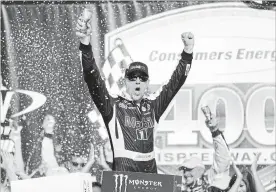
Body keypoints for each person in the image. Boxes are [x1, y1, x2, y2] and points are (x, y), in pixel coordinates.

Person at [76, 14, 194, 173]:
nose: (137, 81)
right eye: (132, 78)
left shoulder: (154, 107)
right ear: (125, 82)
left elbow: (176, 82)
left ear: (147, 84)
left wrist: (187, 53)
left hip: (150, 184)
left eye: (142, 78)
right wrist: (85, 43)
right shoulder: (112, 106)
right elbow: (92, 78)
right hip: (124, 183)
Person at [179, 113, 232, 192]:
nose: (185, 173)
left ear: (200, 170)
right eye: (184, 170)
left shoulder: (210, 179)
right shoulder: (181, 188)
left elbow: (223, 158)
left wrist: (215, 131)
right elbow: (156, 183)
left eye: (189, 169)